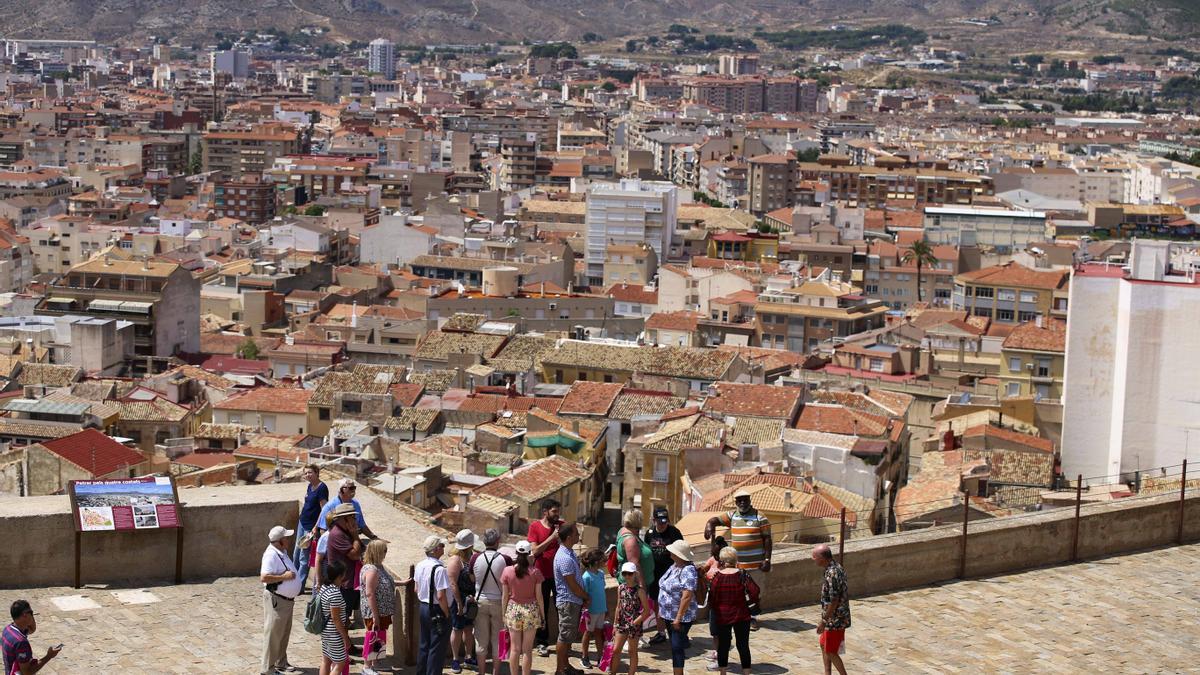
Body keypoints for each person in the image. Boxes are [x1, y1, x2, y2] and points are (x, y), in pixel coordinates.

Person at [704, 489, 772, 631]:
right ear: (736, 502)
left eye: (745, 499)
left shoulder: (760, 517)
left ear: (750, 500)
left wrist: (767, 559)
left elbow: (767, 539)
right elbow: (715, 520)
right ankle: (741, 617)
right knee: (740, 592)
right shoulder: (733, 515)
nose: (742, 503)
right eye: (739, 500)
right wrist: (709, 526)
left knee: (754, 593)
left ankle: (752, 618)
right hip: (737, 565)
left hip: (755, 564)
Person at [707, 547, 758, 675]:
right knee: (743, 646)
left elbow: (712, 598)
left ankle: (723, 672)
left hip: (723, 616)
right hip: (742, 615)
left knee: (723, 645)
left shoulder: (717, 577)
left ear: (722, 561)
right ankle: (746, 672)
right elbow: (755, 591)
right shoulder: (742, 574)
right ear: (736, 559)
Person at [261, 525, 303, 675]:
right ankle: (267, 670)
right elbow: (264, 577)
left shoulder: (281, 551)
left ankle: (280, 662)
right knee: (273, 635)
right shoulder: (271, 555)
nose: (289, 540)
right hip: (277, 600)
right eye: (286, 538)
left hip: (286, 601)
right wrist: (284, 577)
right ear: (279, 541)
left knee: (283, 633)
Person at [501, 540, 545, 675]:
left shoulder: (507, 571)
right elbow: (539, 597)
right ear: (529, 554)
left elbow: (504, 596)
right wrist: (543, 616)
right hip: (531, 611)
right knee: (527, 650)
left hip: (513, 610)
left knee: (514, 649)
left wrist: (504, 615)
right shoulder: (535, 572)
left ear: (516, 553)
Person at [470, 528, 510, 675]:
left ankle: (481, 672)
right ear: (497, 541)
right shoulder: (505, 559)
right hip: (499, 602)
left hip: (481, 601)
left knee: (481, 640)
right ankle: (496, 672)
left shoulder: (475, 558)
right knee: (497, 640)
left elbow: (472, 578)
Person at [642, 505, 683, 645]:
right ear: (654, 520)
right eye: (660, 521)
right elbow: (645, 553)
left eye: (665, 521)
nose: (663, 524)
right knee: (657, 605)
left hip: (672, 576)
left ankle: (677, 633)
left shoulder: (674, 532)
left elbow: (682, 552)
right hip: (654, 577)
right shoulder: (649, 533)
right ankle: (661, 633)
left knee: (673, 604)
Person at [657, 540, 698, 675]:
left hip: (680, 617)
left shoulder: (688, 570)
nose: (670, 553)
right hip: (669, 614)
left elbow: (687, 596)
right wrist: (661, 610)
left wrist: (678, 618)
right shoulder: (675, 566)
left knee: (677, 647)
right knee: (675, 646)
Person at [526, 498, 561, 657]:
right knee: (543, 609)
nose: (557, 514)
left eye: (557, 511)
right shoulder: (535, 527)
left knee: (561, 607)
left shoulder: (560, 525)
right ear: (545, 511)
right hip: (541, 575)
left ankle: (563, 641)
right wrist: (552, 538)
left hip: (558, 575)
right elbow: (535, 551)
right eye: (554, 511)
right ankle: (542, 643)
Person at [552, 523, 588, 675]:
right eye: (576, 534)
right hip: (568, 602)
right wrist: (586, 596)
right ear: (568, 537)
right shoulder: (564, 557)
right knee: (564, 636)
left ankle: (566, 667)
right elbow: (572, 585)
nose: (578, 536)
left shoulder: (569, 553)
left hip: (572, 601)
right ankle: (560, 670)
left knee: (568, 637)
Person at [606, 562, 652, 675]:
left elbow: (647, 611)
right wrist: (615, 624)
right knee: (616, 650)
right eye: (624, 573)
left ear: (635, 574)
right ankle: (613, 672)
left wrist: (634, 622)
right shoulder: (621, 588)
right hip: (621, 623)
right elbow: (618, 606)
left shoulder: (640, 591)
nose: (627, 576)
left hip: (634, 624)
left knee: (632, 651)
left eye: (629, 573)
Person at [415, 535, 452, 675]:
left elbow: (416, 589)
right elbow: (441, 595)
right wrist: (447, 613)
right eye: (442, 546)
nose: (443, 548)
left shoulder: (420, 565)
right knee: (437, 648)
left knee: (424, 644)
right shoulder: (440, 569)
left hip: (423, 607)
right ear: (436, 549)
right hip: (437, 609)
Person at [813, 544, 850, 675]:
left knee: (831, 651)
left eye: (815, 556)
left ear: (822, 558)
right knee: (824, 644)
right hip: (833, 617)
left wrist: (824, 621)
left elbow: (834, 601)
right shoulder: (834, 567)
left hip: (835, 619)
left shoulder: (833, 573)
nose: (813, 559)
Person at [360, 539, 395, 675]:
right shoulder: (372, 569)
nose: (386, 553)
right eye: (384, 551)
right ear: (378, 552)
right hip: (375, 611)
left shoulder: (378, 567)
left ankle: (375, 663)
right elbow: (369, 593)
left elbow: (384, 582)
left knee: (379, 635)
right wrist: (375, 616)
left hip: (383, 610)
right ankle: (366, 667)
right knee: (372, 635)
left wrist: (401, 582)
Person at [325, 503, 363, 628]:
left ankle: (345, 643)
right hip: (343, 584)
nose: (354, 520)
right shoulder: (338, 534)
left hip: (348, 581)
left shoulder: (344, 532)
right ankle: (343, 644)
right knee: (341, 617)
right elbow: (355, 555)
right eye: (352, 516)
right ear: (344, 518)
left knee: (344, 616)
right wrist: (356, 536)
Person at [448, 529, 478, 673]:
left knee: (468, 629)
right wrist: (459, 603)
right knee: (457, 629)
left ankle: (468, 656)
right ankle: (455, 659)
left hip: (470, 600)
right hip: (458, 601)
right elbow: (453, 583)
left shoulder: (471, 557)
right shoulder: (455, 560)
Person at [295, 464, 328, 593]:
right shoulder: (310, 486)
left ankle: (299, 586)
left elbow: (324, 509)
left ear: (316, 473)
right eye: (306, 473)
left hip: (310, 527)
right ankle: (295, 582)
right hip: (302, 523)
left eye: (310, 472)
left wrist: (316, 527)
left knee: (304, 557)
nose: (308, 475)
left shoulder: (322, 488)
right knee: (296, 554)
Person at [3, 601, 59, 675]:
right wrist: (49, 656)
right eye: (31, 613)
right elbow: (27, 672)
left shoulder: (7, 629)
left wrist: (29, 616)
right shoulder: (21, 642)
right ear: (25, 615)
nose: (32, 616)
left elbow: (32, 629)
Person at [318, 560, 353, 675]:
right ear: (340, 576)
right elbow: (336, 619)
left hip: (325, 630)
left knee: (326, 660)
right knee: (340, 663)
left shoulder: (324, 588)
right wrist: (345, 638)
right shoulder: (335, 594)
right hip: (334, 633)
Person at [701, 536, 729, 667]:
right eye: (714, 553)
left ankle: (721, 657)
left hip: (724, 603)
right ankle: (715, 652)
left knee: (722, 631)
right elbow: (703, 570)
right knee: (714, 630)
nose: (715, 556)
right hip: (713, 601)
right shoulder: (712, 560)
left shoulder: (729, 565)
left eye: (718, 554)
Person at [579, 548, 608, 670]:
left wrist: (606, 609)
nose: (604, 562)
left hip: (601, 609)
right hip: (591, 611)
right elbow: (584, 595)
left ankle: (600, 657)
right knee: (588, 633)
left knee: (598, 633)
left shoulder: (601, 574)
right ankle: (584, 657)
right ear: (596, 562)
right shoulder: (586, 577)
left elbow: (602, 592)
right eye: (602, 560)